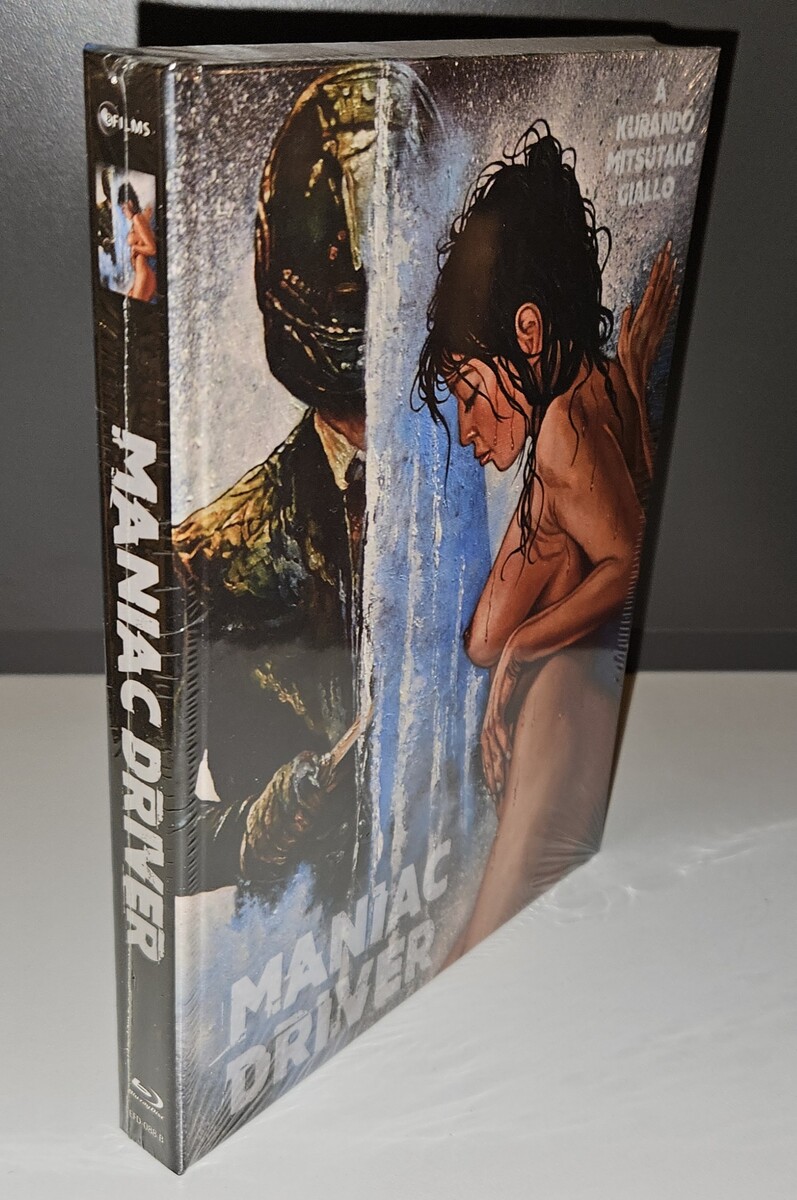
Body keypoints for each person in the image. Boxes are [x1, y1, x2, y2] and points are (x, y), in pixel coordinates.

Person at [173, 63, 438, 909]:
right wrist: (253, 831)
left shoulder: (494, 470)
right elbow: (159, 840)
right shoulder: (208, 558)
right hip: (308, 929)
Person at [417, 123, 676, 959]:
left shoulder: (561, 432)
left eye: (467, 391)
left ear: (526, 331)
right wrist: (633, 375)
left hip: (555, 708)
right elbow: (629, 514)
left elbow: (626, 561)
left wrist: (517, 660)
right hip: (570, 695)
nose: (465, 430)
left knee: (479, 948)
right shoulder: (590, 394)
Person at [118, 182, 157, 302]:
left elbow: (152, 249)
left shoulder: (137, 219)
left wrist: (135, 248)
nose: (123, 212)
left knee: (134, 307)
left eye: (123, 208)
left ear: (130, 203)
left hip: (143, 275)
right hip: (139, 274)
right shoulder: (139, 219)